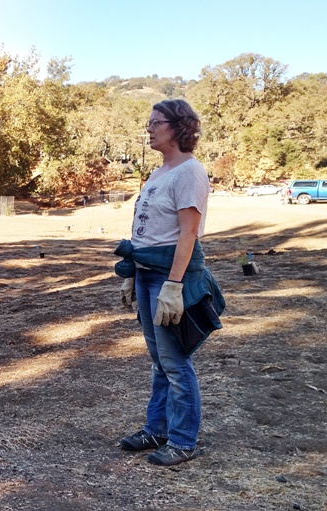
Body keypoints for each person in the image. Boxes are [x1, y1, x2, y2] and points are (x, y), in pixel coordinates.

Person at [113, 99, 224, 466]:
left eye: (155, 122)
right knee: (159, 360)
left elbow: (188, 234)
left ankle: (182, 440)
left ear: (177, 128)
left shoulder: (190, 172)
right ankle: (156, 429)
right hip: (146, 274)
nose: (148, 128)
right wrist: (132, 274)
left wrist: (173, 286)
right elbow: (147, 230)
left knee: (175, 361)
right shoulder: (159, 172)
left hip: (169, 275)